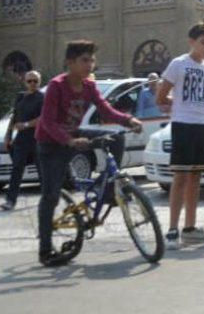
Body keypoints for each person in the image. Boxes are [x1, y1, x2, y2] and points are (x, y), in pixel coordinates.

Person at [35, 41, 142, 266]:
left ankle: (109, 185)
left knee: (116, 137)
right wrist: (70, 141)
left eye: (92, 60)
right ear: (70, 62)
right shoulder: (57, 85)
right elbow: (47, 121)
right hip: (51, 143)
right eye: (85, 60)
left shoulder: (89, 86)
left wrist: (128, 119)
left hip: (75, 134)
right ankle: (45, 249)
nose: (90, 65)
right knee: (50, 196)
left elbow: (105, 110)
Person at [157, 22, 204, 250]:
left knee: (196, 178)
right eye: (203, 42)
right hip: (183, 124)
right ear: (191, 42)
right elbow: (161, 98)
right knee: (180, 177)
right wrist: (177, 103)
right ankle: (172, 230)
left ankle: (190, 229)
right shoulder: (178, 64)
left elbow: (202, 96)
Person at [0, 71, 44, 211]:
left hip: (37, 138)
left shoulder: (43, 98)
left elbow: (43, 119)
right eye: (29, 81)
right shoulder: (20, 97)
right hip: (21, 139)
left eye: (35, 81)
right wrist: (8, 136)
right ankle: (10, 200)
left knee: (41, 170)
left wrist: (25, 125)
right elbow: (14, 117)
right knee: (17, 169)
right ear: (24, 82)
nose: (32, 84)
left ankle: (47, 199)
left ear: (39, 82)